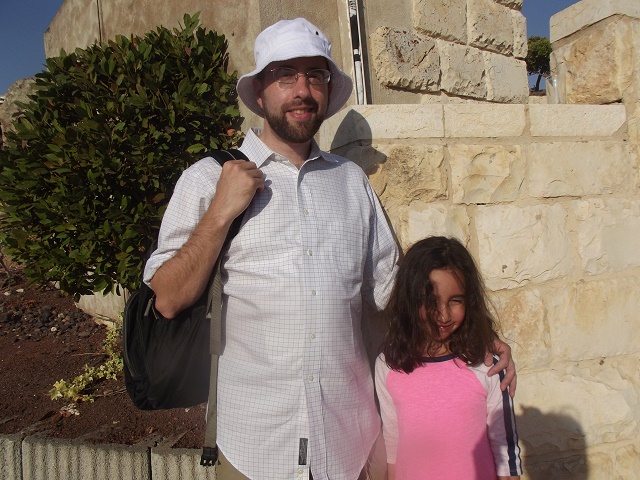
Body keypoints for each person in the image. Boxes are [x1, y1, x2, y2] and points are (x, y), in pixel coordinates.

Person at [144, 18, 516, 480]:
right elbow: (168, 297)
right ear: (259, 90)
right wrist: (220, 213)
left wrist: (476, 337)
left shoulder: (350, 182)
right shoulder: (207, 179)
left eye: (315, 75)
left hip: (347, 444)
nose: (302, 90)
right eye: (285, 74)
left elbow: (395, 293)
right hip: (255, 446)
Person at [375, 236, 523, 480]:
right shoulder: (389, 365)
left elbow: (506, 454)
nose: (443, 316)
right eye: (431, 301)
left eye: (455, 301)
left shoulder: (487, 365)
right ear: (410, 299)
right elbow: (393, 443)